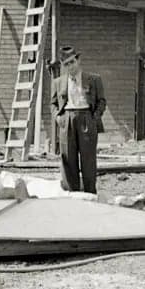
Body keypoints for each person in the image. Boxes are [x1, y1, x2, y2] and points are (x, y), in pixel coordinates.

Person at [50, 46, 106, 193]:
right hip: (66, 120)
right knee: (68, 158)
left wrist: (94, 118)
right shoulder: (58, 82)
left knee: (88, 159)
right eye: (66, 64)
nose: (70, 67)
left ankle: (90, 193)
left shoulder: (94, 79)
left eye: (72, 62)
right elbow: (53, 104)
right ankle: (72, 194)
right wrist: (57, 117)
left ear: (78, 60)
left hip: (87, 118)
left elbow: (101, 101)